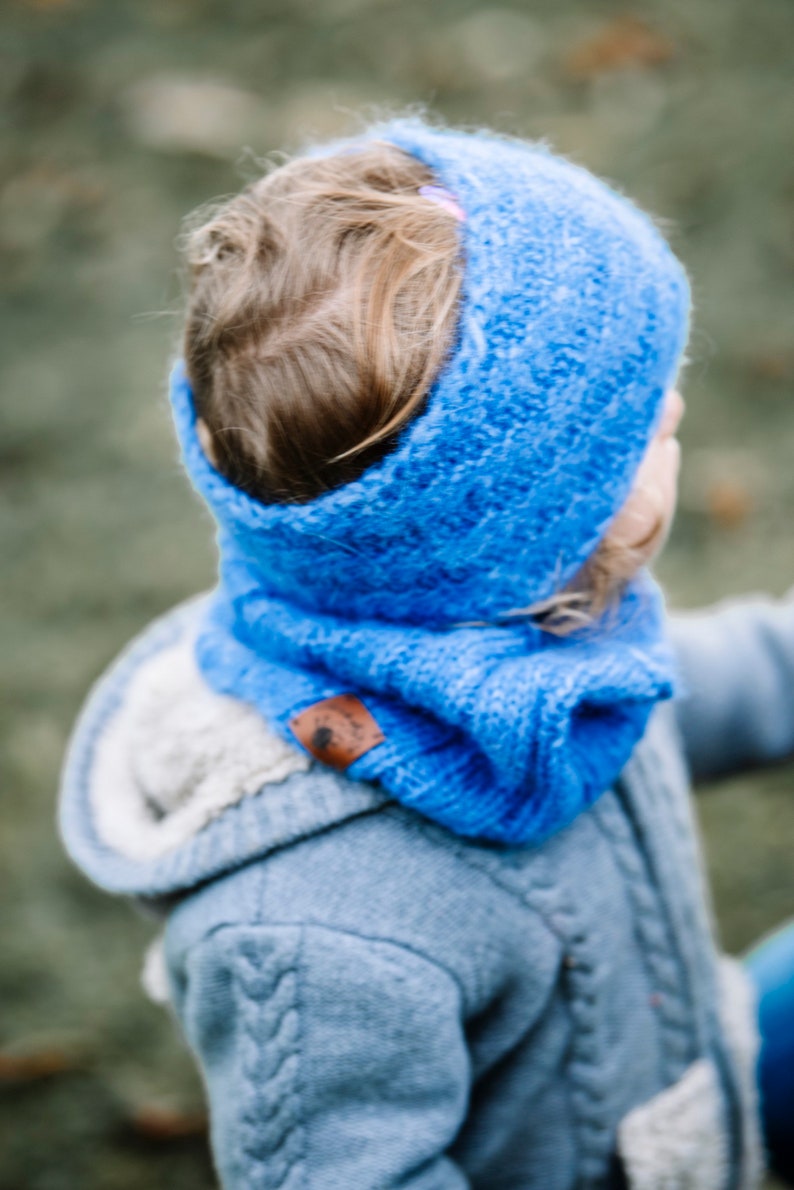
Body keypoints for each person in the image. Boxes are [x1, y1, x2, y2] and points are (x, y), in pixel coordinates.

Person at [59, 118, 794, 1189]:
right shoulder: (309, 932)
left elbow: (683, 687)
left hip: (697, 1068)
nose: (673, 405)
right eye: (643, 424)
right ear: (557, 529)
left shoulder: (536, 613)